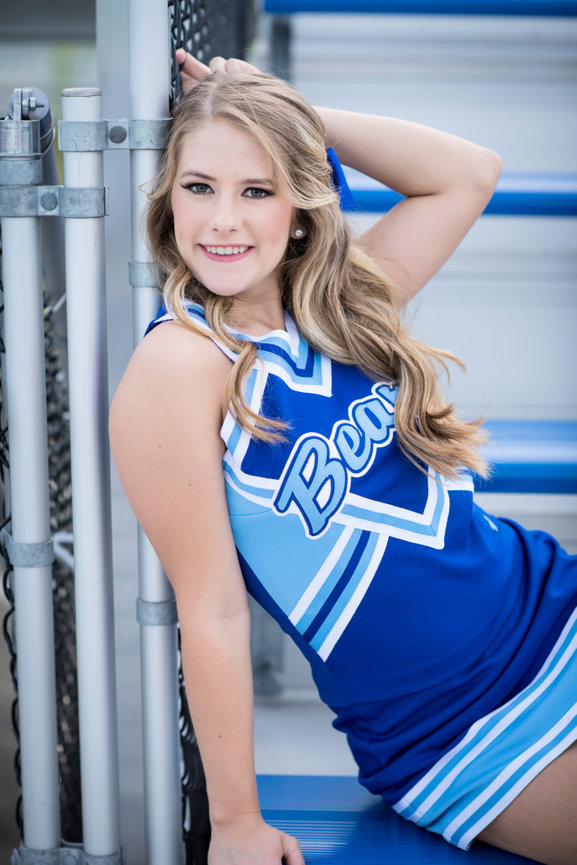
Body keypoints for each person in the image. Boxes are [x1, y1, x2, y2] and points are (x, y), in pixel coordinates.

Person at [109, 51, 577, 865]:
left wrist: (293, 113)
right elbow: (213, 610)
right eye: (199, 187)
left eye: (256, 189)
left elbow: (469, 173)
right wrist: (235, 822)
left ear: (299, 209)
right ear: (168, 199)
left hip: (547, 608)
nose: (222, 219)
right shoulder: (178, 365)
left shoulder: (339, 303)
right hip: (458, 729)